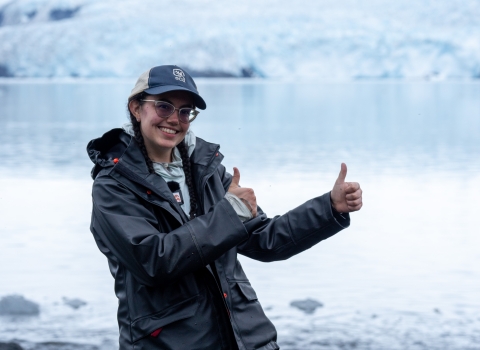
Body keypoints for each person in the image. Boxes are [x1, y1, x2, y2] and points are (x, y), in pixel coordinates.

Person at [87, 65, 363, 350]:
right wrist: (229, 215)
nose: (175, 119)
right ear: (136, 108)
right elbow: (154, 261)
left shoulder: (206, 172)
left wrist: (330, 207)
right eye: (164, 106)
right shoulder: (114, 187)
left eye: (185, 111)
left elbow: (266, 241)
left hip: (248, 340)